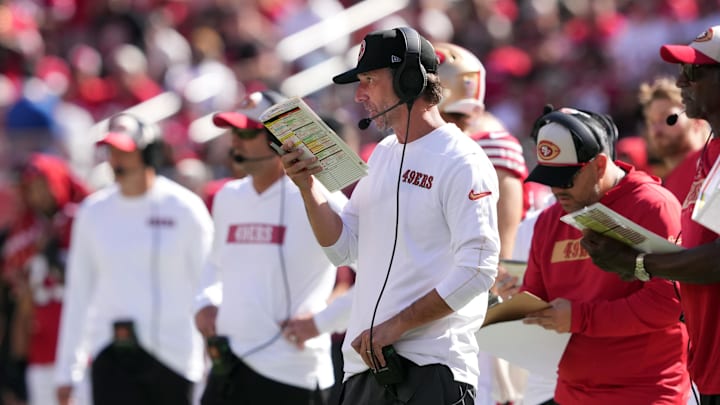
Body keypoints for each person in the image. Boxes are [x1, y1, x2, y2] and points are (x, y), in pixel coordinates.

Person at [281, 27, 500, 405]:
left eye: (369, 80)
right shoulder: (382, 153)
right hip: (367, 370)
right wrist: (308, 186)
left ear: (409, 78)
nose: (359, 94)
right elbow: (344, 248)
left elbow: (479, 269)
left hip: (432, 368)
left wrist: (396, 327)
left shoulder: (462, 159)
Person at [581, 25, 720, 404]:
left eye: (694, 72)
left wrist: (640, 261)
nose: (681, 81)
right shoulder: (711, 153)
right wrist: (634, 262)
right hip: (707, 363)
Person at [521, 106, 690, 404]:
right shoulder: (550, 219)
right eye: (548, 176)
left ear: (599, 165)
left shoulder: (653, 207)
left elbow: (668, 303)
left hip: (645, 393)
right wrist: (514, 310)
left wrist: (579, 318)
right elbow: (535, 294)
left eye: (566, 178)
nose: (556, 189)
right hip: (569, 392)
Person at [54, 113, 214, 405]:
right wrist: (67, 371)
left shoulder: (186, 209)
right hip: (110, 353)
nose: (116, 160)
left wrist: (212, 361)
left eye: (124, 151)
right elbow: (78, 294)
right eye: (111, 151)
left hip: (174, 357)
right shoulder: (92, 212)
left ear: (148, 152)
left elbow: (209, 287)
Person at [194, 111, 349, 405]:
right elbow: (214, 264)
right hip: (228, 365)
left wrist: (323, 322)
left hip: (291, 376)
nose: (235, 142)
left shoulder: (320, 197)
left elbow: (378, 271)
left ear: (280, 141)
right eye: (233, 133)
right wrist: (204, 302)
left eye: (247, 134)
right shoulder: (228, 196)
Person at [2, 154, 90, 405]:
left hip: (80, 347)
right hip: (41, 347)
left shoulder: (81, 219)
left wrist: (53, 255)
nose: (38, 195)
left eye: (43, 185)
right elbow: (21, 299)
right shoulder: (24, 231)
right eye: (32, 188)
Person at [637, 76, 709, 201]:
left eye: (667, 118)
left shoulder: (712, 163)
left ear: (697, 120)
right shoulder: (665, 183)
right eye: (651, 122)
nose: (656, 130)